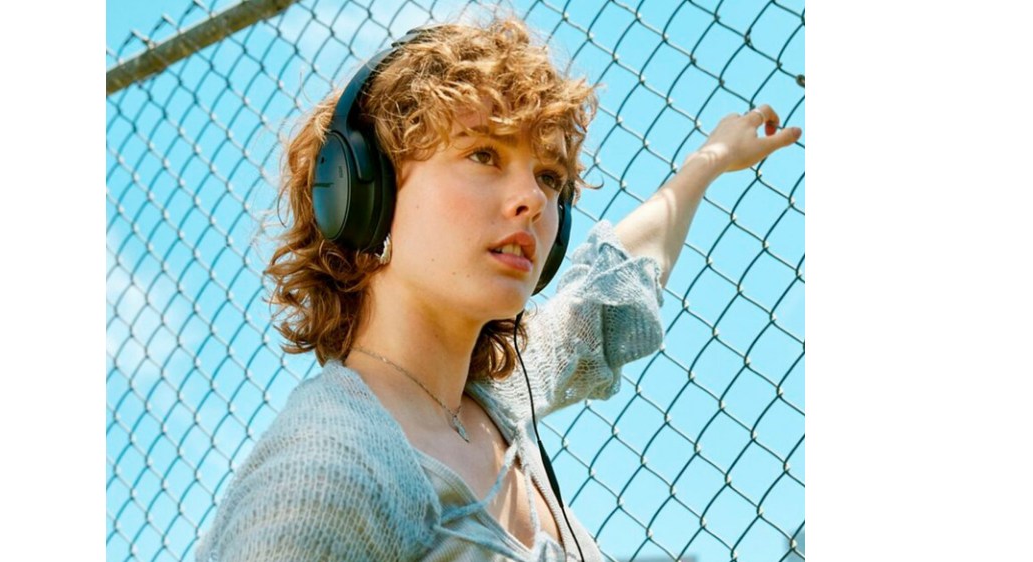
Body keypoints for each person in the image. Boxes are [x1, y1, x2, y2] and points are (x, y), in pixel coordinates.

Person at [194, 15, 801, 562]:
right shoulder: (331, 469)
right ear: (362, 196)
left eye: (548, 174)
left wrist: (711, 161)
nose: (534, 200)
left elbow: (609, 292)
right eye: (483, 154)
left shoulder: (490, 397)